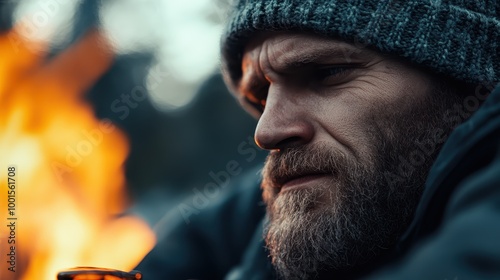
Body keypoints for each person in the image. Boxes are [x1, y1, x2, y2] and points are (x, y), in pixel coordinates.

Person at [136, 1, 500, 279]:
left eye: (327, 73)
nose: (266, 132)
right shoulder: (327, 187)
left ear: (470, 80)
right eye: (261, 96)